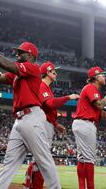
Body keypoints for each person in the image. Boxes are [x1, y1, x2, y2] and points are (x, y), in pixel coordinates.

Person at [0, 31, 61, 188]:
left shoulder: (33, 68)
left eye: (20, 53)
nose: (17, 55)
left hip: (32, 117)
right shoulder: (18, 73)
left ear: (30, 56)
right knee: (9, 162)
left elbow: (7, 64)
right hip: (20, 121)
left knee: (44, 160)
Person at [23, 61, 79, 189]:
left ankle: (31, 185)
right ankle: (32, 185)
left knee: (41, 160)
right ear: (47, 73)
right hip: (41, 125)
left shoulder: (47, 88)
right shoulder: (42, 85)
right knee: (42, 160)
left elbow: (48, 110)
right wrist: (68, 97)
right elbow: (50, 104)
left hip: (46, 124)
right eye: (53, 71)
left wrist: (55, 124)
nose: (56, 73)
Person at [72, 66, 106, 189]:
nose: (104, 77)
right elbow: (101, 105)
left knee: (82, 159)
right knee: (89, 159)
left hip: (81, 123)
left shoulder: (91, 89)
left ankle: (82, 187)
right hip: (86, 124)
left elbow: (100, 113)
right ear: (95, 78)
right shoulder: (91, 88)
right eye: (102, 75)